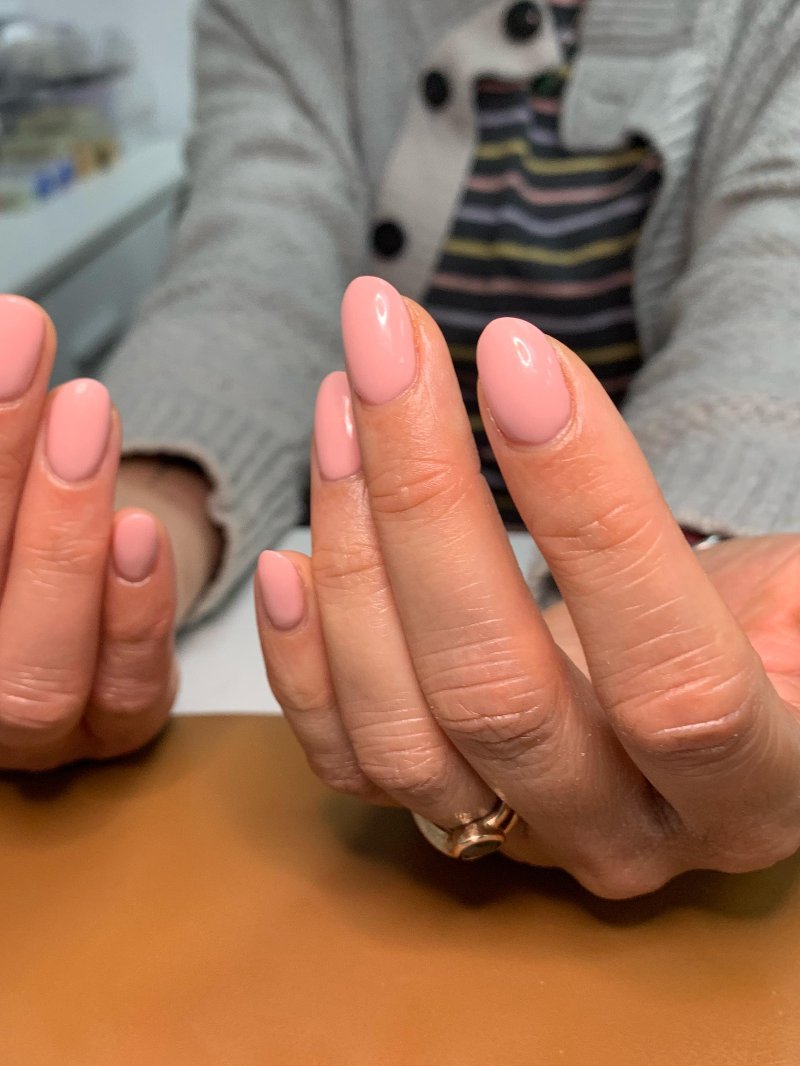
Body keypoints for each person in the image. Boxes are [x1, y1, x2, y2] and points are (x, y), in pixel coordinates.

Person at [0, 0, 797, 894]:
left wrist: (691, 557)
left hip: (652, 551)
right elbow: (257, 260)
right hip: (337, 577)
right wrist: (143, 506)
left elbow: (776, 291)